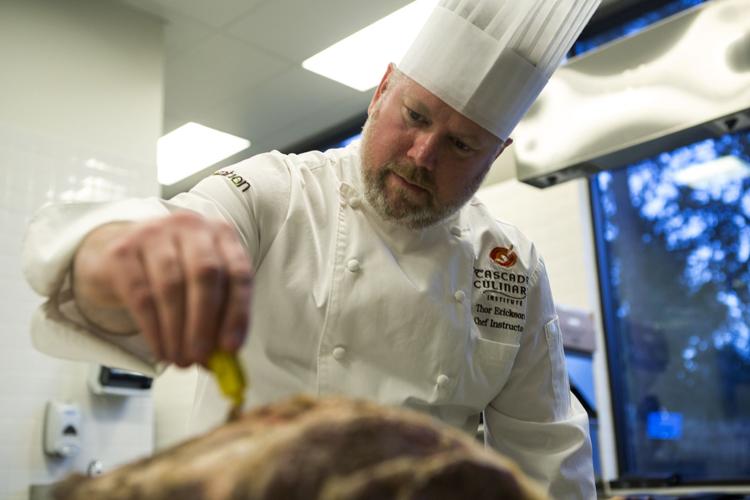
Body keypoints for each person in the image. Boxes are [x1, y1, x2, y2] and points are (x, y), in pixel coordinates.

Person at [23, 0, 600, 498]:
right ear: (381, 93)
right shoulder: (280, 191)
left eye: (461, 144)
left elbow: (548, 454)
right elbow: (185, 226)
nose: (423, 155)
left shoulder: (511, 267)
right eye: (415, 116)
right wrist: (115, 254)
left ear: (495, 156)